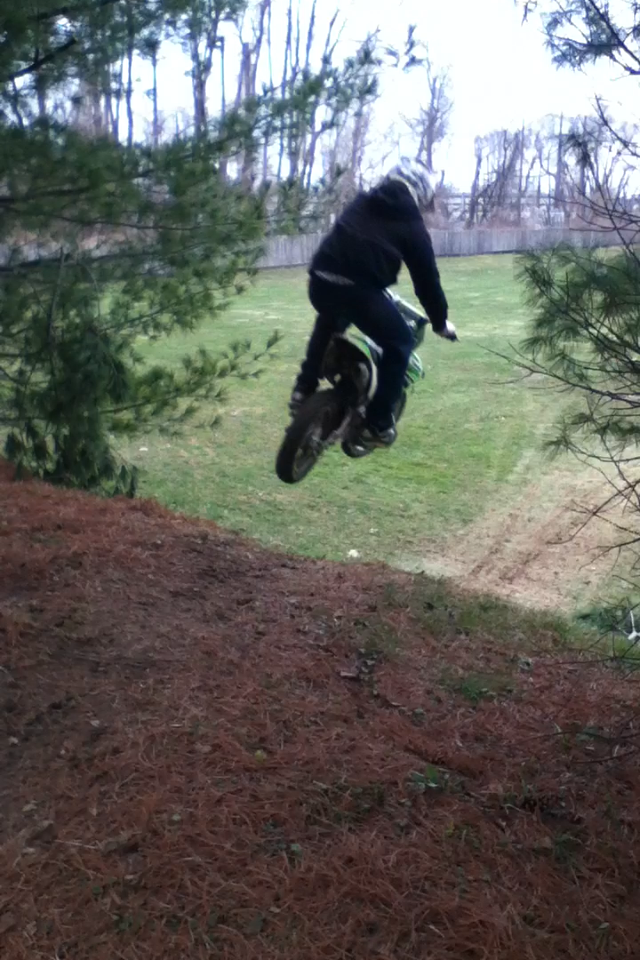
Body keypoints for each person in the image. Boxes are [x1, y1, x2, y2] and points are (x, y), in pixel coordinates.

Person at [289, 160, 457, 450]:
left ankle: (304, 388)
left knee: (329, 319)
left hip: (320, 280)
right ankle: (377, 424)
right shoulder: (411, 223)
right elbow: (427, 280)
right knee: (400, 343)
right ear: (420, 193)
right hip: (359, 292)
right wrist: (440, 323)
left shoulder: (362, 202)